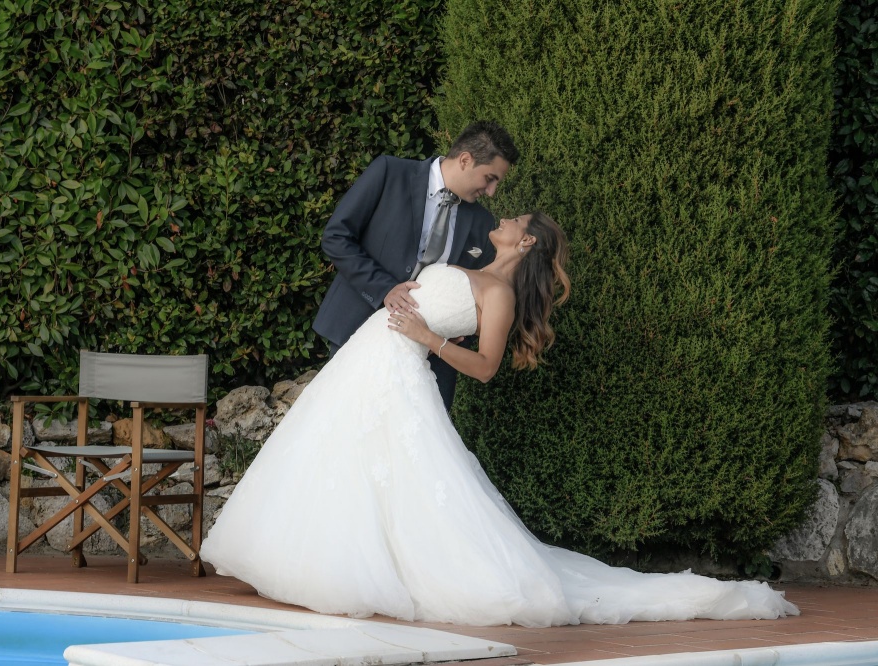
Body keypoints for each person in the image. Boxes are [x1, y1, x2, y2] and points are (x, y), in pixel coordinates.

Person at [201, 212, 798, 627]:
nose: (503, 220)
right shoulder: (469, 265)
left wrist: (426, 336)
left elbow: (485, 366)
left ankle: (361, 573)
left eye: (515, 222)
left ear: (527, 243)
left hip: (399, 371)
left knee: (390, 477)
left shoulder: (499, 294)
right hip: (364, 365)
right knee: (339, 463)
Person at [312, 120, 519, 409]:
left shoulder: (482, 222)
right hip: (357, 329)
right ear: (465, 160)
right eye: (490, 178)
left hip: (431, 361)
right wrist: (385, 288)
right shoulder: (390, 172)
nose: (492, 191)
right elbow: (336, 237)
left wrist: (464, 325)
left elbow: (481, 297)